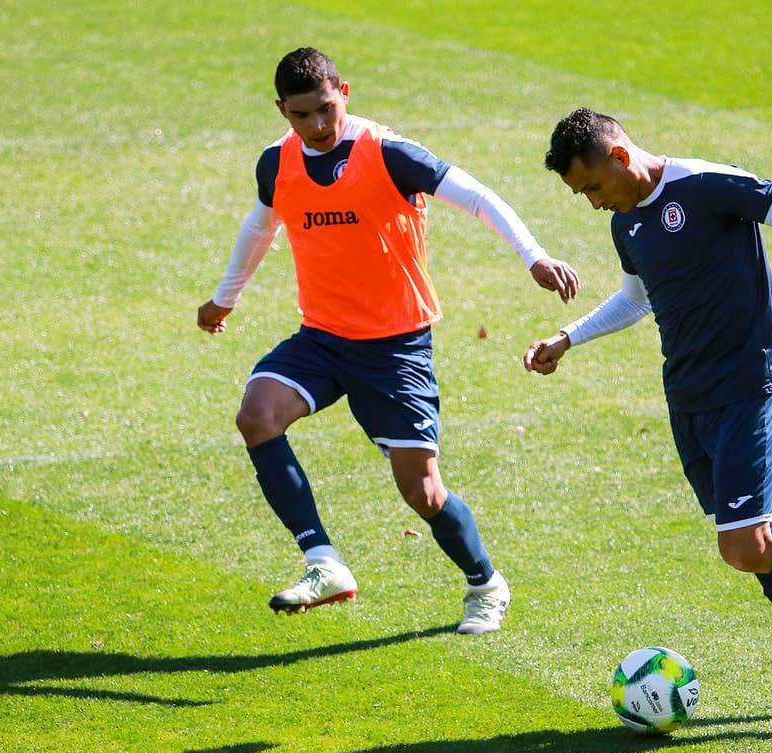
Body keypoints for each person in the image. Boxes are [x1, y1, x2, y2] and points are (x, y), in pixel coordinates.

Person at [524, 107, 772, 721]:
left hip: (750, 385)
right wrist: (569, 337)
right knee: (756, 546)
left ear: (618, 157)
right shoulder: (627, 225)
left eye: (592, 187)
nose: (592, 203)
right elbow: (638, 299)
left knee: (745, 544)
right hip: (688, 401)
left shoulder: (703, 184)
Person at [196, 48, 579, 635]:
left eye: (325, 109)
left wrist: (533, 255)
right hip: (322, 338)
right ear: (282, 111)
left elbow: (476, 196)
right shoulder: (277, 163)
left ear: (343, 91)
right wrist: (226, 297)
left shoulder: (389, 153)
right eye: (301, 116)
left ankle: (485, 583)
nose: (317, 126)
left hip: (397, 349)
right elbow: (261, 222)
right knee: (258, 415)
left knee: (422, 492)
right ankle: (323, 563)